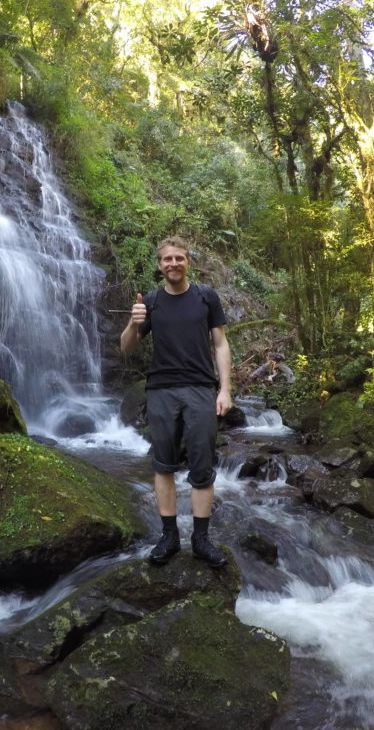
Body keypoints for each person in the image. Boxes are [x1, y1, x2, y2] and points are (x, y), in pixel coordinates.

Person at [120, 237, 233, 568]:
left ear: (188, 262)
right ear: (159, 265)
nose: (173, 263)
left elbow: (221, 345)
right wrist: (133, 320)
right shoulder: (151, 302)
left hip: (200, 388)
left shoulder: (205, 297)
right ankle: (169, 536)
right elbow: (126, 347)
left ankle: (201, 540)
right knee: (163, 464)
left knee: (202, 465)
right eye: (167, 259)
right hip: (161, 391)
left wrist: (224, 389)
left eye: (179, 258)